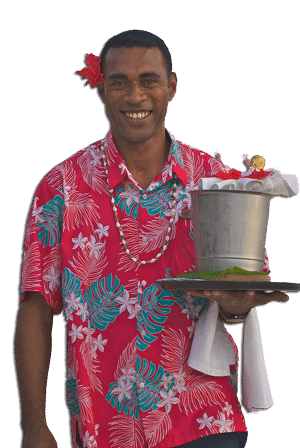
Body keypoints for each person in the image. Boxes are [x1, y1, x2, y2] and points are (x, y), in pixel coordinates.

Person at [15, 29, 289, 448]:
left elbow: (245, 285)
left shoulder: (214, 181)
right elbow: (35, 307)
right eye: (120, 81)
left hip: (203, 417)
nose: (135, 95)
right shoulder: (62, 188)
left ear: (171, 87)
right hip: (105, 424)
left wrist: (237, 306)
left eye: (149, 80)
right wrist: (34, 424)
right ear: (101, 87)